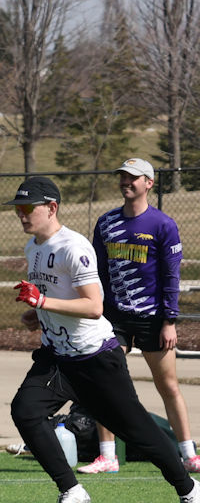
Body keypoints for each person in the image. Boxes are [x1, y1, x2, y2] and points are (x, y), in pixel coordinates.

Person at [4, 175, 199, 503]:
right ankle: (71, 490)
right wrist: (38, 313)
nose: (22, 214)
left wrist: (43, 301)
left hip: (95, 359)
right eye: (18, 208)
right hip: (57, 357)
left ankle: (189, 491)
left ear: (52, 208)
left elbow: (94, 306)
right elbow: (58, 299)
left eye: (28, 207)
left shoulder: (73, 247)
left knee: (139, 433)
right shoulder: (33, 247)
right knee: (25, 411)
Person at [78, 158, 197, 474]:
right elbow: (97, 272)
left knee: (168, 385)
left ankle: (189, 454)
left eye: (133, 177)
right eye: (122, 177)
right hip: (113, 318)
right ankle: (108, 456)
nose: (126, 182)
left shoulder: (163, 224)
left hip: (154, 320)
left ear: (149, 183)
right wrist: (96, 310)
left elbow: (171, 276)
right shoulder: (106, 222)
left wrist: (170, 321)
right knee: (105, 382)